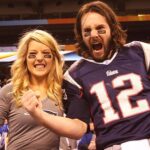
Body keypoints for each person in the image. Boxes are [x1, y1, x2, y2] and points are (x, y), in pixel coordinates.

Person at [21, 1, 150, 150]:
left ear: (112, 29)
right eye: (87, 31)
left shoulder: (140, 52)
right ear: (81, 36)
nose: (93, 35)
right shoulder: (75, 75)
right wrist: (39, 115)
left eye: (100, 28)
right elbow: (78, 128)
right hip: (115, 145)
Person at [0, 29, 71, 150]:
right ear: (24, 59)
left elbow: (79, 125)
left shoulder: (62, 91)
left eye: (46, 54)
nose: (39, 58)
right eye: (32, 54)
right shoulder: (10, 90)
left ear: (54, 59)